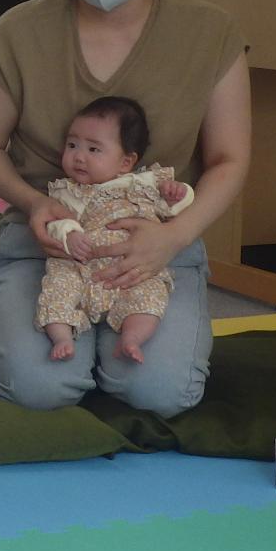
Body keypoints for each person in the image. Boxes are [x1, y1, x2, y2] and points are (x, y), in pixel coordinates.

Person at [0, 0, 249, 418]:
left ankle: (110, 350)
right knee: (37, 389)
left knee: (161, 393)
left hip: (158, 246)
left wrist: (173, 237)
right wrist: (35, 204)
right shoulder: (16, 34)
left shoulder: (210, 32)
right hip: (46, 247)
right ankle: (70, 348)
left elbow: (229, 158)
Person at [35, 96, 194, 364]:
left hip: (134, 267)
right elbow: (54, 221)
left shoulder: (143, 184)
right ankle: (61, 336)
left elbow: (175, 208)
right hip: (79, 266)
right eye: (72, 145)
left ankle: (133, 337)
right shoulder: (66, 191)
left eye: (93, 149)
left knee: (151, 295)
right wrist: (69, 233)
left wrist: (177, 194)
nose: (79, 156)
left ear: (125, 162)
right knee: (55, 287)